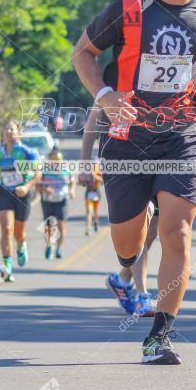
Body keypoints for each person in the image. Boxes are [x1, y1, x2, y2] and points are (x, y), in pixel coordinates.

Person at [71, 0, 196, 364]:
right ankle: (126, 273)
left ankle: (158, 337)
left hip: (184, 135)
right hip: (127, 140)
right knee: (131, 240)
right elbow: (82, 53)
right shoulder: (128, 6)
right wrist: (104, 97)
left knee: (177, 232)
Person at [80, 107, 157, 317]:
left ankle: (122, 280)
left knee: (152, 232)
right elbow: (92, 122)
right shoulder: (113, 82)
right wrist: (85, 163)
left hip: (159, 157)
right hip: (122, 161)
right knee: (141, 224)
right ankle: (142, 296)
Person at [0, 121, 42, 282]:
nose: (8, 131)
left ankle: (21, 245)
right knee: (6, 229)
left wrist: (27, 187)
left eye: (11, 129)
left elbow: (38, 173)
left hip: (22, 194)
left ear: (18, 133)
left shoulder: (27, 152)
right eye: (6, 129)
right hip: (5, 192)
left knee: (18, 233)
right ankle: (7, 267)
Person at [38, 148, 75, 260]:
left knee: (61, 225)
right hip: (47, 201)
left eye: (58, 161)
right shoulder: (44, 171)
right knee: (49, 225)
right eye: (54, 161)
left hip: (62, 201)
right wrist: (45, 190)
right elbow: (37, 185)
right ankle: (50, 245)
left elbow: (72, 182)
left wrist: (72, 191)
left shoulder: (66, 170)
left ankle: (58, 248)